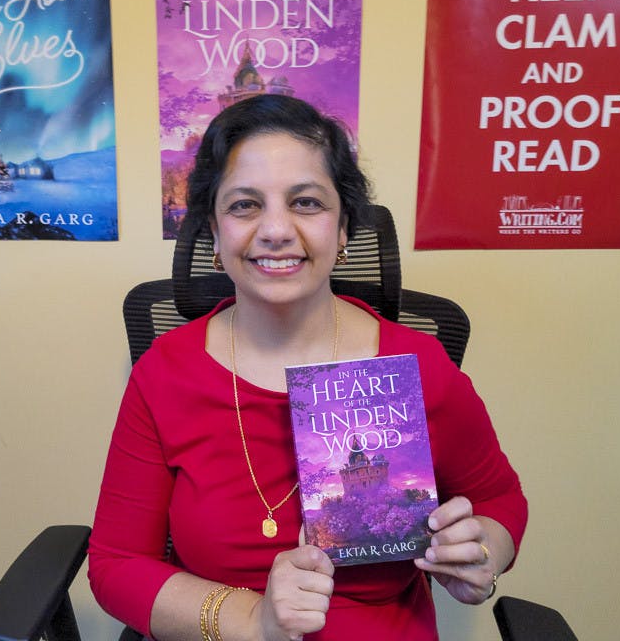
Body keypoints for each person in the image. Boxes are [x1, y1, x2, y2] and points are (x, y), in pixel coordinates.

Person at [88, 94, 527, 641]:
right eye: (245, 205)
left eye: (306, 203)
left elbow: (500, 501)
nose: (275, 230)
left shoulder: (416, 364)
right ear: (213, 231)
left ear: (343, 229)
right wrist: (252, 619)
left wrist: (482, 550)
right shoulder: (164, 375)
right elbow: (115, 565)